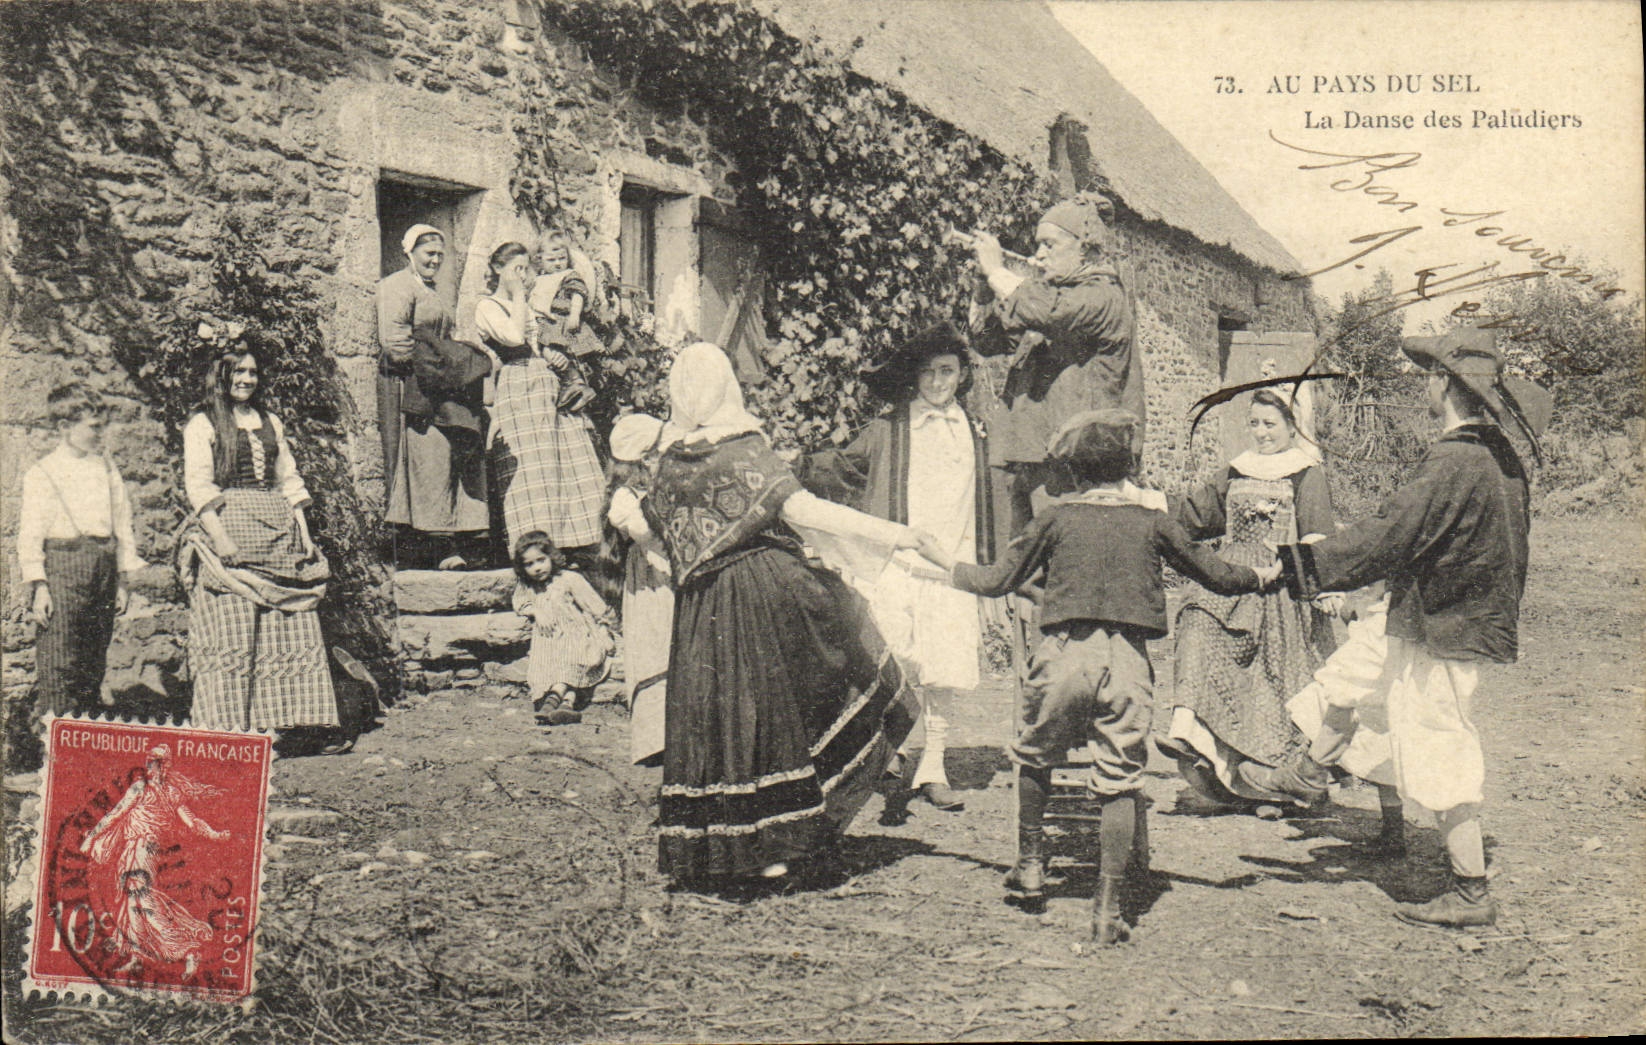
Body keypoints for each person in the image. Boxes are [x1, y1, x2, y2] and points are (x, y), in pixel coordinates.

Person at [915, 409, 1278, 943]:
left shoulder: (1056, 519)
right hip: (1128, 658)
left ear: (1077, 474)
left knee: (1035, 755)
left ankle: (1032, 864)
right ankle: (1107, 910)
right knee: (1121, 780)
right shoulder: (1152, 521)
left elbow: (996, 581)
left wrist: (942, 562)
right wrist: (1261, 576)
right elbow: (1217, 574)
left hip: (1063, 651)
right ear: (1127, 471)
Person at [1247, 328, 1551, 929]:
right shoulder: (1499, 458)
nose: (1424, 387)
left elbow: (1392, 532)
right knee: (1371, 686)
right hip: (1452, 616)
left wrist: (1298, 565)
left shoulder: (1455, 459)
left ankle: (1470, 893)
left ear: (1444, 383)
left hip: (1446, 622)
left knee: (1441, 741)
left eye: (1427, 377)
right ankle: (1307, 774)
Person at [639, 342, 921, 887]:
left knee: (715, 718)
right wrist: (897, 534)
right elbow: (806, 510)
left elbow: (651, 530)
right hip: (761, 594)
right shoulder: (745, 451)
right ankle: (778, 847)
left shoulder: (669, 465)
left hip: (700, 609)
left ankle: (715, 852)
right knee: (771, 710)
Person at [800, 321, 995, 812]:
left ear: (962, 375)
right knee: (892, 656)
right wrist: (795, 469)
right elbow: (841, 469)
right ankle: (888, 753)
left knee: (942, 668)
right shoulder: (890, 428)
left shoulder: (975, 432)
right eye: (928, 374)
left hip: (951, 566)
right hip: (898, 563)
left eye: (947, 372)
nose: (937, 383)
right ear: (915, 377)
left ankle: (933, 766)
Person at [1155, 390, 1340, 807]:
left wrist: (1319, 588)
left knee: (1273, 680)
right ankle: (1192, 740)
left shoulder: (1305, 473)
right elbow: (1195, 515)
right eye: (1254, 423)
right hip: (1233, 580)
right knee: (1197, 627)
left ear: (1292, 428)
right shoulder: (1236, 470)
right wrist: (1144, 504)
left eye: (1270, 424)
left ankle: (1275, 788)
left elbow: (1317, 539)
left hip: (1280, 588)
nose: (1261, 433)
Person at [178, 347, 344, 744]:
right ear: (222, 375)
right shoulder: (203, 424)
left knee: (287, 626)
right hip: (231, 529)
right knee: (237, 627)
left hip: (277, 529)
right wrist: (220, 538)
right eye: (238, 372)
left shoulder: (270, 421)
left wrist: (303, 532)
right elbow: (199, 485)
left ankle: (291, 723)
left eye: (253, 372)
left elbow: (288, 480)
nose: (247, 380)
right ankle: (234, 728)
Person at [966, 191, 1144, 537]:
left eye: (1050, 244)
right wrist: (982, 289)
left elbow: (1047, 310)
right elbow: (988, 341)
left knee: (1064, 568)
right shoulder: (1048, 298)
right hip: (1027, 457)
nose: (1039, 255)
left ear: (1084, 248)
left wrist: (997, 270)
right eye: (1038, 245)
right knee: (1022, 573)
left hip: (1073, 467)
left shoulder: (1102, 295)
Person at [16, 382, 146, 717]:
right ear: (64, 427)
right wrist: (40, 587)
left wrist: (123, 580)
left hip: (102, 569)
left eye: (103, 426)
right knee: (60, 659)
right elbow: (30, 536)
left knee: (92, 660)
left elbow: (122, 522)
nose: (100, 434)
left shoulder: (105, 467)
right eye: (93, 427)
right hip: (63, 569)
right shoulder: (43, 472)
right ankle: (55, 744)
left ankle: (85, 741)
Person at [377, 224, 494, 566]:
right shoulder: (396, 286)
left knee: (450, 452)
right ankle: (430, 543)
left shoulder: (431, 290)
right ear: (409, 252)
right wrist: (439, 365)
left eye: (440, 256)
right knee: (425, 456)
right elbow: (394, 342)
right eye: (429, 254)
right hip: (411, 384)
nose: (436, 261)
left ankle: (456, 537)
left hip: (436, 383)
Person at [476, 240, 604, 551]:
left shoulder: (527, 307)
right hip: (518, 387)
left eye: (525, 269)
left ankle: (570, 544)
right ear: (497, 269)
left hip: (545, 383)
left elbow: (534, 341)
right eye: (515, 269)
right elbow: (513, 336)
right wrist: (519, 294)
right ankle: (533, 550)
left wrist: (551, 355)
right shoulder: (487, 307)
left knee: (565, 462)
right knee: (532, 471)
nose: (522, 275)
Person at [79, 744, 228, 979]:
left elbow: (192, 821)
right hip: (134, 849)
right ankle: (137, 958)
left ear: (164, 765)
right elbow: (115, 814)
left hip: (144, 849)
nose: (149, 766)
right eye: (148, 761)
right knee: (132, 904)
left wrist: (214, 834)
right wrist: (92, 836)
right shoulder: (142, 788)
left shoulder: (168, 793)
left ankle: (188, 950)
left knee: (144, 902)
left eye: (154, 762)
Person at [607, 413, 673, 768]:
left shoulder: (661, 489)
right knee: (652, 643)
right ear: (645, 459)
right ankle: (655, 737)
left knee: (674, 640)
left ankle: (680, 729)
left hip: (671, 576)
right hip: (649, 578)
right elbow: (638, 529)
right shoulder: (625, 495)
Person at [511, 530, 616, 727]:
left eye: (541, 560)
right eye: (529, 564)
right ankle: (567, 705)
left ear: (551, 556)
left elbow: (595, 605)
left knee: (569, 658)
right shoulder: (527, 586)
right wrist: (536, 612)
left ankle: (553, 700)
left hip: (576, 635)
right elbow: (519, 602)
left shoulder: (569, 579)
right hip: (549, 640)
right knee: (548, 664)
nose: (536, 568)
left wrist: (604, 630)